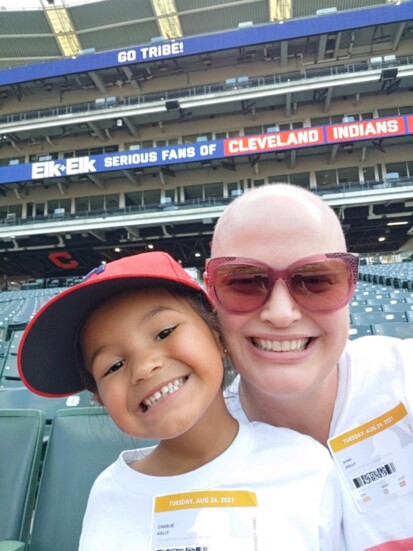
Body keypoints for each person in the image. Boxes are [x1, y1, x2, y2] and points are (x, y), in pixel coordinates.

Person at [18, 251, 342, 551]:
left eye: (164, 332)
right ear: (100, 399)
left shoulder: (304, 464)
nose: (144, 368)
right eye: (113, 366)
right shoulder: (108, 492)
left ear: (218, 335)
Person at [205, 183, 413, 551]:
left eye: (316, 280)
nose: (281, 314)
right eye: (244, 282)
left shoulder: (406, 376)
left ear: (351, 285)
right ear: (211, 300)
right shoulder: (201, 455)